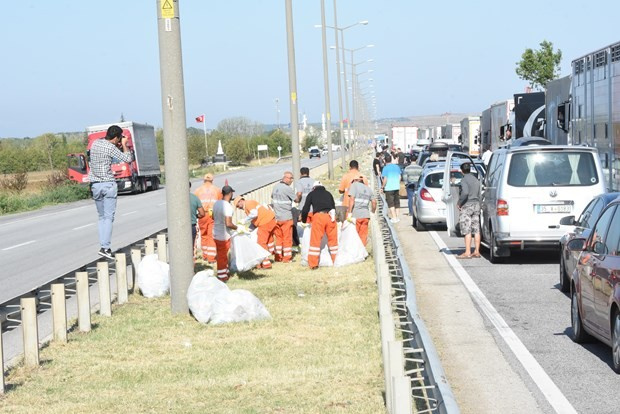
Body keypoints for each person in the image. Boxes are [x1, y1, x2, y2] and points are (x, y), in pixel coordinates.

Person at [88, 125, 133, 259]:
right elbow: (128, 159)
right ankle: (105, 247)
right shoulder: (111, 147)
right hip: (108, 185)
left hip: (95, 185)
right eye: (119, 138)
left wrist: (118, 143)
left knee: (101, 217)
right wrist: (124, 145)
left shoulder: (95, 143)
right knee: (108, 218)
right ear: (116, 137)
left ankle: (103, 245)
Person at [301, 181, 338, 269]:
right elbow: (333, 206)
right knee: (333, 241)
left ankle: (313, 264)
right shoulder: (328, 193)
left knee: (315, 241)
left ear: (314, 188)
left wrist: (304, 220)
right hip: (330, 216)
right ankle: (336, 261)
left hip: (318, 217)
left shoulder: (312, 194)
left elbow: (305, 208)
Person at [233, 196, 276, 269]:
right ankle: (270, 255)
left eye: (237, 206)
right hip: (269, 220)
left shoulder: (248, 204)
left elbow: (254, 214)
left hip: (265, 222)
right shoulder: (250, 204)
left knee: (261, 243)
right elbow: (255, 220)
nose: (238, 208)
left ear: (240, 201)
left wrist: (244, 220)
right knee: (268, 240)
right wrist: (248, 229)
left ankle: (266, 264)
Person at [193, 173, 222, 263]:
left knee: (204, 235)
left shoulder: (198, 190)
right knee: (211, 235)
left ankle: (205, 255)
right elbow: (220, 203)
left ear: (204, 180)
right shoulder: (217, 190)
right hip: (212, 214)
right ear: (212, 180)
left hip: (202, 215)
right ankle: (211, 258)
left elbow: (195, 203)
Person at [457, 163, 482, 259]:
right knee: (476, 229)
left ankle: (467, 252)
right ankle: (477, 251)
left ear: (462, 171)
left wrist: (459, 203)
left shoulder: (464, 180)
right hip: (476, 205)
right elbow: (479, 193)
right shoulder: (476, 180)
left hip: (467, 205)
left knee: (467, 229)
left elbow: (465, 192)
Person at [212, 185, 238, 281]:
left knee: (220, 254)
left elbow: (213, 217)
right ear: (230, 194)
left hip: (215, 232)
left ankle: (225, 271)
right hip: (223, 235)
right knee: (222, 255)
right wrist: (237, 228)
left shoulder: (216, 204)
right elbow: (228, 223)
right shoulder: (227, 206)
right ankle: (222, 276)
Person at [271, 171, 295, 262]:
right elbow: (296, 199)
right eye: (291, 178)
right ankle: (287, 258)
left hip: (277, 217)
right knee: (287, 238)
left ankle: (278, 257)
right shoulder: (287, 189)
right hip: (286, 217)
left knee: (278, 239)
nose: (292, 180)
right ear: (286, 178)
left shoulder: (275, 187)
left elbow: (272, 197)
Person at [347, 175, 377, 246]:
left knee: (355, 235)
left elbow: (352, 199)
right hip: (366, 215)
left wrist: (349, 213)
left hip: (356, 215)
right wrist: (372, 212)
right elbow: (374, 202)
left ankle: (355, 252)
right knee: (363, 235)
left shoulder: (354, 185)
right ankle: (362, 252)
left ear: (355, 180)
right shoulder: (368, 189)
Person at [381, 155, 401, 223]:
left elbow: (385, 179)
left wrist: (382, 187)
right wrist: (397, 183)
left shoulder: (385, 168)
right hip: (396, 187)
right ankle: (397, 217)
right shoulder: (396, 166)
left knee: (391, 203)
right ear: (391, 160)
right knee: (397, 202)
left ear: (385, 161)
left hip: (389, 188)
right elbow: (399, 176)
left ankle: (394, 218)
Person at [189, 182, 205, 253]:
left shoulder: (177, 199)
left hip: (179, 228)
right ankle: (191, 263)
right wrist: (195, 216)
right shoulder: (195, 198)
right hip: (191, 226)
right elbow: (202, 213)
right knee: (191, 248)